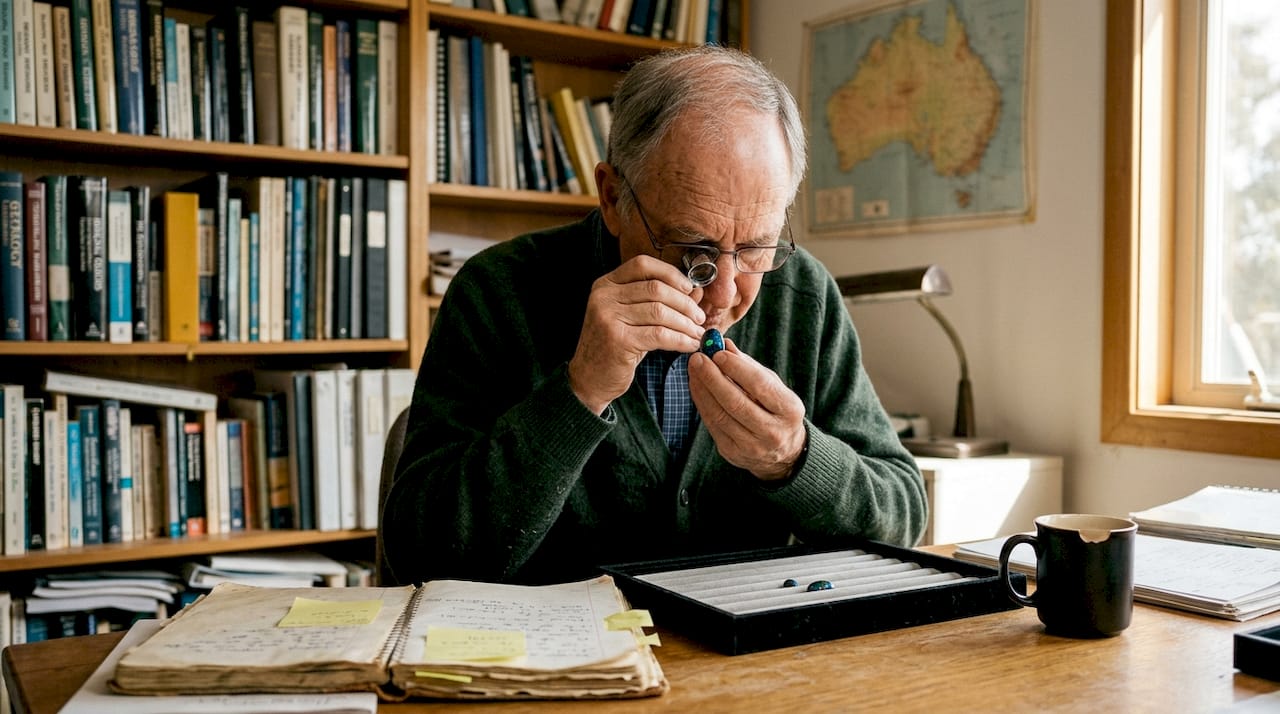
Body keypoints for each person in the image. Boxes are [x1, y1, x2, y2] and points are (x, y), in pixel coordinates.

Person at [382, 45, 927, 586]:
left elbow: (903, 514)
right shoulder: (496, 292)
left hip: (754, 661)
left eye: (758, 248)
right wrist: (580, 391)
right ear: (613, 197)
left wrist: (794, 458)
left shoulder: (803, 295)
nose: (725, 296)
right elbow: (419, 556)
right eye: (695, 250)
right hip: (557, 661)